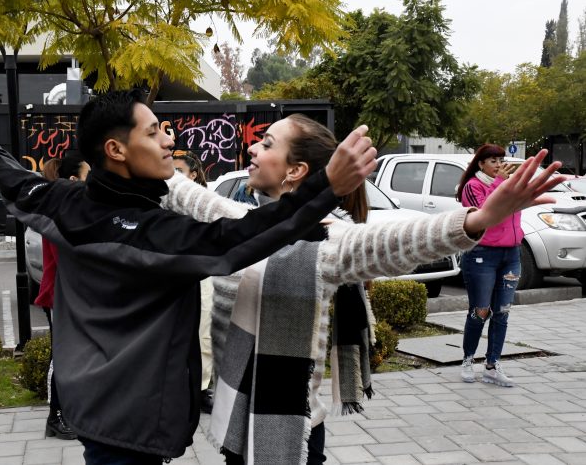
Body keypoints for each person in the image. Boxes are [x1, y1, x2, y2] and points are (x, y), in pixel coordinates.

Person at [0, 89, 382, 464]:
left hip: (91, 406)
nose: (168, 140)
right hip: (129, 426)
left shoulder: (63, 201)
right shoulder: (147, 233)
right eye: (154, 132)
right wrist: (324, 186)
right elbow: (236, 239)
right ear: (116, 150)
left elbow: (16, 182)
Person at [161, 115, 565, 464]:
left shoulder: (328, 241)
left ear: (295, 171)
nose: (251, 148)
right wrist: (147, 144)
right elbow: (182, 192)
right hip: (235, 418)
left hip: (287, 429)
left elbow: (392, 243)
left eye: (266, 144)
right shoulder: (240, 222)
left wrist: (477, 220)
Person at [34, 153, 90, 440]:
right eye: (86, 176)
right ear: (73, 180)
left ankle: (69, 412)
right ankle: (55, 416)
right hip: (60, 296)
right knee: (63, 356)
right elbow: (69, 259)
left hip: (70, 296)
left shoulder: (73, 210)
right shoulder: (60, 212)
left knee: (72, 355)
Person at [456, 144, 522, 387]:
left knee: (502, 312)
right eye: (492, 160)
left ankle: (492, 366)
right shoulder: (472, 187)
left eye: (500, 160)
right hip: (482, 254)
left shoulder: (507, 184)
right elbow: (485, 213)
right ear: (480, 163)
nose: (497, 164)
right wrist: (500, 185)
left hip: (511, 254)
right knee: (480, 311)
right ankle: (467, 360)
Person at [172, 151, 215, 413]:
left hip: (203, 275)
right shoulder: (165, 200)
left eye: (178, 170)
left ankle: (202, 389)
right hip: (175, 275)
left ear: (193, 174)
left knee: (203, 333)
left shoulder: (205, 203)